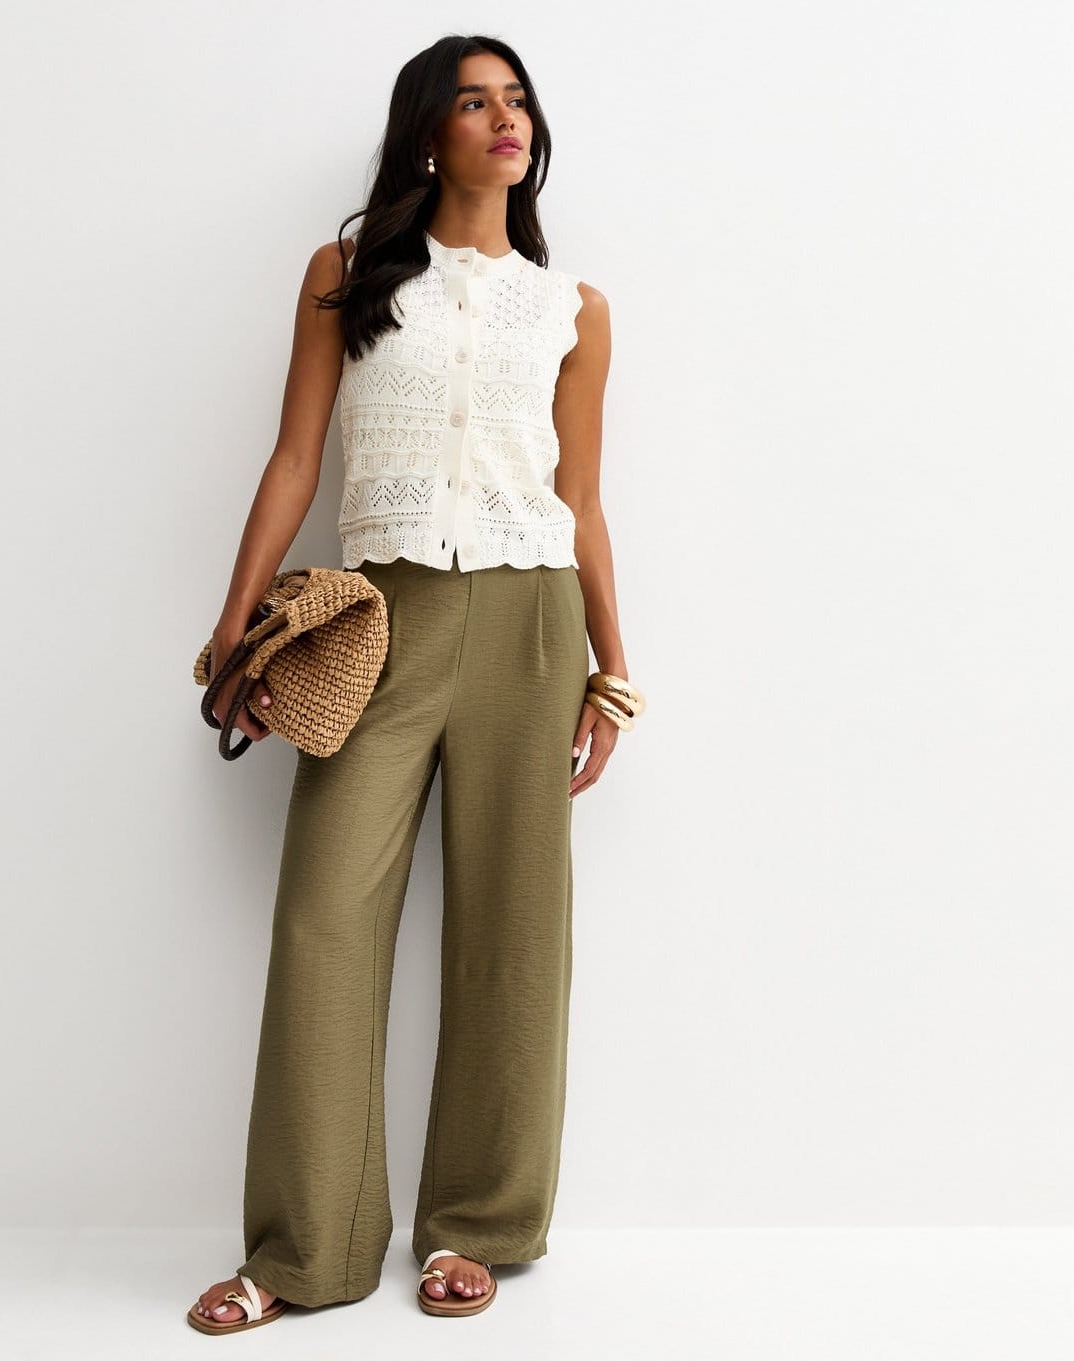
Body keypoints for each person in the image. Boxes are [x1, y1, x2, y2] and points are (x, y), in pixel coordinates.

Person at [187, 33, 643, 1335]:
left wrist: (613, 672)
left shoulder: (572, 310)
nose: (506, 121)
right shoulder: (346, 278)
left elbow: (581, 498)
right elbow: (295, 459)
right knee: (324, 922)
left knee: (515, 936)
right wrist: (233, 631)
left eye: (518, 102)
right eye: (474, 103)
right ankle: (303, 1248)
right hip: (381, 620)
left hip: (532, 625)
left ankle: (476, 1227)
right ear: (426, 133)